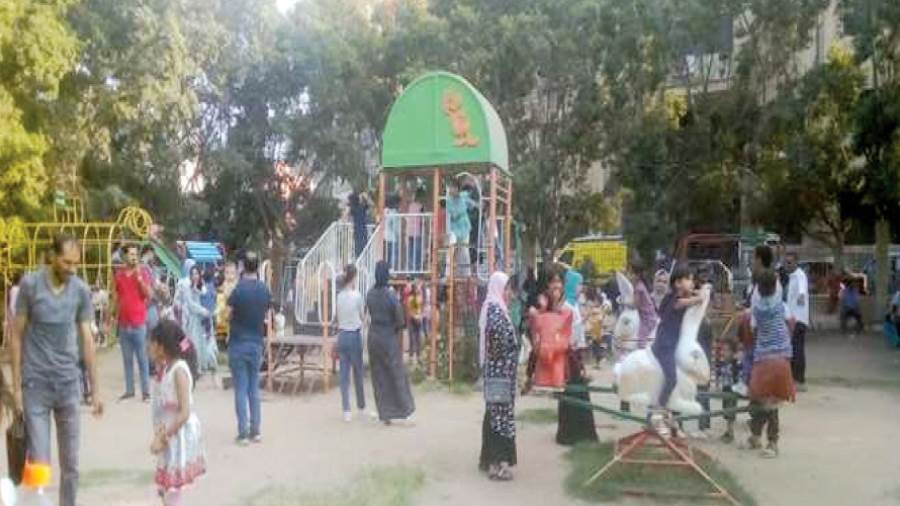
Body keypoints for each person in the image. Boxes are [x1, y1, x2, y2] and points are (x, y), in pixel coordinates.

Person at [10, 233, 104, 506]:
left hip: (68, 385)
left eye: (76, 263)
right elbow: (16, 336)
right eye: (67, 262)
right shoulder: (30, 286)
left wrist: (95, 390)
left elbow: (88, 340)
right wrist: (16, 388)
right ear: (52, 256)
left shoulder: (80, 290)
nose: (72, 269)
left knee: (71, 465)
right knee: (39, 464)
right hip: (35, 385)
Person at [149, 320, 206, 505]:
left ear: (162, 347)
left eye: (152, 344)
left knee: (173, 488)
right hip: (170, 430)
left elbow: (184, 412)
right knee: (166, 488)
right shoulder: (166, 368)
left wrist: (164, 436)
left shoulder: (179, 370)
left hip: (178, 433)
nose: (149, 348)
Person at [742, 269, 795, 458]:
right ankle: (767, 441)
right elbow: (791, 323)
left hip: (763, 360)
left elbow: (752, 331)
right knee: (771, 403)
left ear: (757, 288)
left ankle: (760, 438)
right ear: (776, 287)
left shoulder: (756, 311)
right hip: (782, 358)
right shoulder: (782, 306)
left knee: (760, 400)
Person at [478, 272, 520, 481]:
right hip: (500, 376)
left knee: (495, 416)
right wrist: (509, 354)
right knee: (501, 418)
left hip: (500, 374)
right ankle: (499, 464)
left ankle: (492, 462)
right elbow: (498, 342)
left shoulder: (497, 309)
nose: (510, 293)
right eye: (507, 289)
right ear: (499, 289)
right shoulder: (495, 311)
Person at [227, 252, 271, 445]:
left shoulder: (238, 290)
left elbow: (228, 313)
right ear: (258, 267)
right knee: (254, 388)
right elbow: (267, 313)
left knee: (240, 388)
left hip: (238, 342)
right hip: (256, 343)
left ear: (243, 267)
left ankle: (243, 433)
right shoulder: (264, 290)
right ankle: (256, 431)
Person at [366, 261, 415, 424]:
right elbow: (400, 319)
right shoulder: (390, 295)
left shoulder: (370, 294)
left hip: (373, 336)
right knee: (396, 374)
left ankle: (385, 412)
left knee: (379, 376)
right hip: (388, 336)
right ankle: (405, 411)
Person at [652, 264, 703, 409]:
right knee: (671, 379)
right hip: (665, 346)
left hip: (668, 344)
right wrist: (699, 295)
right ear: (678, 283)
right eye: (689, 280)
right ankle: (659, 406)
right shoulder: (676, 299)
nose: (692, 283)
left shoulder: (670, 297)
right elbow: (693, 301)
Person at [115, 244, 154, 402]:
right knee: (127, 359)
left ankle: (146, 392)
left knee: (142, 359)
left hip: (139, 323)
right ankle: (129, 390)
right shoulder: (119, 275)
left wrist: (139, 278)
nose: (134, 257)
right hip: (123, 324)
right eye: (131, 254)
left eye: (136, 254)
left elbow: (149, 294)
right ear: (125, 256)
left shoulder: (143, 273)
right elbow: (116, 298)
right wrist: (110, 318)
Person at [335, 265, 367, 422]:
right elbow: (362, 316)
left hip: (342, 334)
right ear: (354, 277)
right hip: (354, 334)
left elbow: (337, 316)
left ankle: (346, 409)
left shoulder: (339, 296)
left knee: (344, 374)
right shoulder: (357, 296)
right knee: (358, 372)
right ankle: (361, 406)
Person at [176, 266, 212, 374]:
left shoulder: (201, 285)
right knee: (191, 341)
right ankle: (191, 366)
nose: (195, 276)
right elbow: (190, 304)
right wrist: (203, 310)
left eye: (196, 273)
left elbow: (204, 293)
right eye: (193, 274)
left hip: (199, 318)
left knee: (200, 342)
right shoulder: (187, 287)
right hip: (191, 318)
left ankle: (200, 365)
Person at [784, 253, 809, 391]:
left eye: (790, 262)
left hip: (798, 319)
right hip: (794, 319)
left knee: (797, 349)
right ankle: (795, 378)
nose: (787, 265)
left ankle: (799, 379)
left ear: (796, 263)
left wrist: (801, 296)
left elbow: (802, 291)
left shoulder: (799, 275)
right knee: (794, 349)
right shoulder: (792, 277)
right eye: (786, 262)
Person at [445, 179, 476, 277]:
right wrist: (461, 210)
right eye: (450, 187)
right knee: (451, 247)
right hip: (454, 229)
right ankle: (447, 273)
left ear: (458, 189)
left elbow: (473, 204)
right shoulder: (448, 201)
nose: (451, 190)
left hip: (464, 228)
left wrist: (472, 204)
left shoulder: (463, 196)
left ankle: (466, 274)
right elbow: (453, 215)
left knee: (464, 251)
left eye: (453, 187)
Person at [716, 339, 740, 443]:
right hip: (725, 388)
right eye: (723, 350)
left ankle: (730, 432)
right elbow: (719, 374)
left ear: (733, 352)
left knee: (731, 411)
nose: (724, 353)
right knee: (726, 410)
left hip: (732, 389)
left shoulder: (735, 363)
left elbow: (738, 375)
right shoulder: (722, 363)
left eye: (727, 350)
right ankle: (728, 431)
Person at [630, 260, 658, 349]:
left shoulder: (638, 288)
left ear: (637, 275)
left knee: (641, 340)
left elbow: (635, 305)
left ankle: (642, 352)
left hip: (647, 319)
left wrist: (624, 302)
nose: (629, 276)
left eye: (630, 273)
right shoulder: (640, 285)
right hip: (647, 317)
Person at [406, 188, 425, 271]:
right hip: (417, 232)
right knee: (417, 252)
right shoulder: (421, 206)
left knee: (411, 251)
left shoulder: (410, 205)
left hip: (409, 231)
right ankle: (416, 269)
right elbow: (422, 220)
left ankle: (410, 269)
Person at [349, 192, 370, 258]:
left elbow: (348, 216)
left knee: (358, 249)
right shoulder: (362, 207)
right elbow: (369, 205)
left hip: (357, 231)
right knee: (364, 249)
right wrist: (365, 197)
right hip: (363, 230)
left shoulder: (353, 209)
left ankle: (358, 261)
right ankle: (364, 261)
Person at [406, 283, 423, 364]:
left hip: (418, 320)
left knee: (418, 339)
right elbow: (410, 310)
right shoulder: (410, 298)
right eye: (416, 288)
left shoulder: (419, 298)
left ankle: (419, 357)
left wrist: (420, 316)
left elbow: (421, 308)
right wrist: (414, 317)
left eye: (418, 288)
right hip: (412, 321)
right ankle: (411, 357)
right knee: (412, 339)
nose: (418, 290)